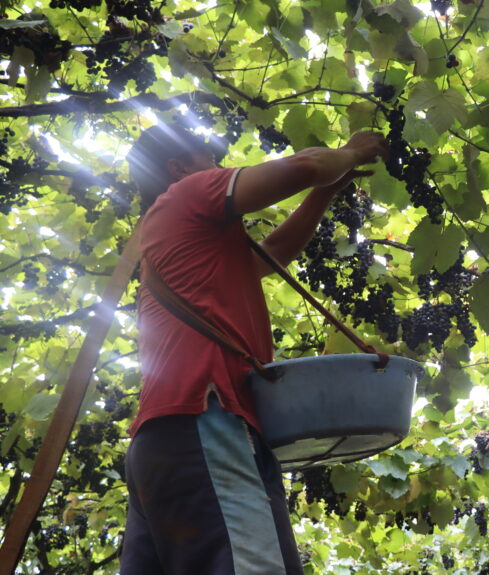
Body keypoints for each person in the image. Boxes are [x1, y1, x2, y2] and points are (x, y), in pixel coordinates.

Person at [121, 123, 387, 574]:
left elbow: (274, 253)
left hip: (159, 446)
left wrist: (324, 194)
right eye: (209, 159)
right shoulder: (187, 193)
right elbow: (310, 165)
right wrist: (351, 152)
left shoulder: (179, 240)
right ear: (179, 167)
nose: (219, 168)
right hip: (204, 422)